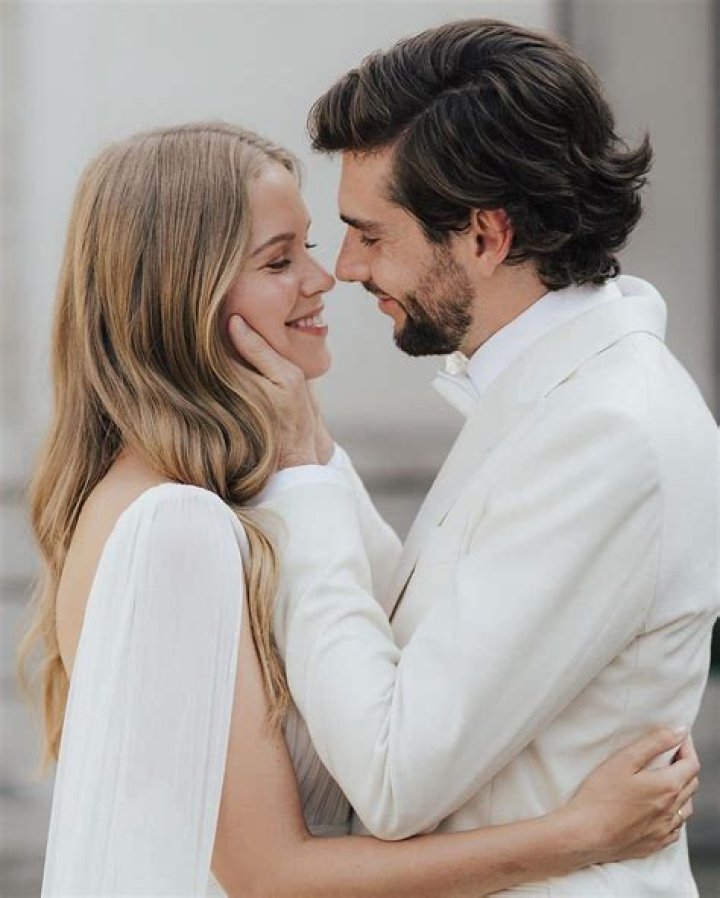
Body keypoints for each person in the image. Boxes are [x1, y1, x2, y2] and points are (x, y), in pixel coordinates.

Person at [17, 122, 697, 897]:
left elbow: (389, 641)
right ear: (181, 296)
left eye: (310, 246)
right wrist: (579, 837)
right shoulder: (172, 527)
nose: (325, 277)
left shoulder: (229, 493)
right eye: (279, 261)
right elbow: (271, 876)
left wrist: (307, 450)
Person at [227, 19, 719, 898]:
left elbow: (392, 777)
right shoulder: (557, 394)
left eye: (371, 235)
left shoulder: (608, 431)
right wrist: (313, 452)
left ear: (486, 237)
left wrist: (300, 480)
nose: (345, 268)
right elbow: (415, 646)